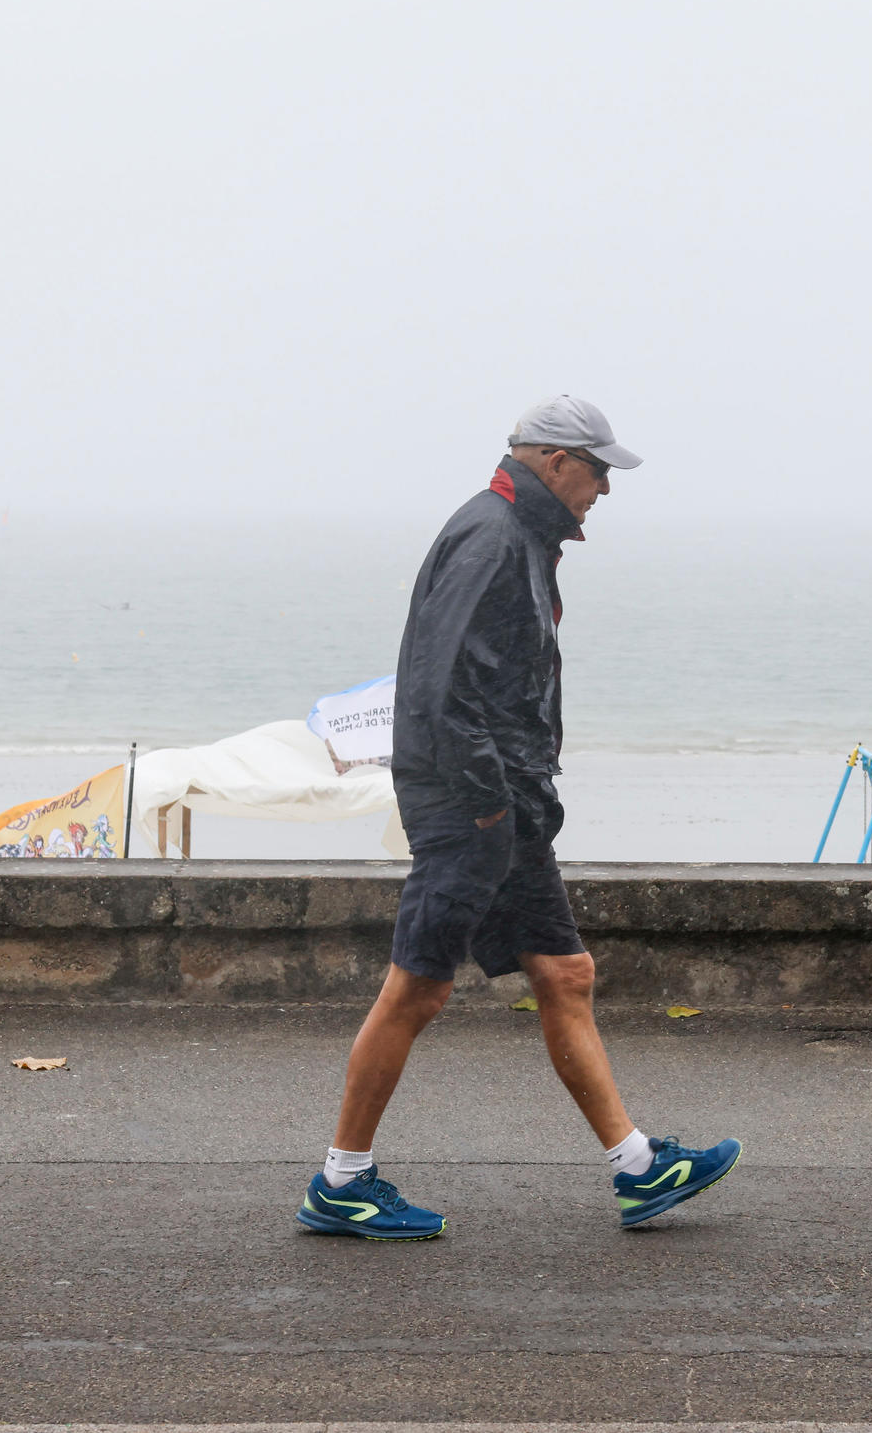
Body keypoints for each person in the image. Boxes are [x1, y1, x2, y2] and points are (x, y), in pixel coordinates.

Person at [299, 395, 744, 1240]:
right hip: (471, 806)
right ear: (553, 460)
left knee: (564, 973)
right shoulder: (492, 538)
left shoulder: (521, 538)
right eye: (599, 469)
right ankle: (341, 1182)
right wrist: (494, 801)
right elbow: (440, 691)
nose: (606, 488)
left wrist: (520, 797)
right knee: (420, 986)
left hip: (505, 801)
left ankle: (639, 1168)